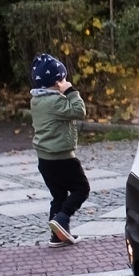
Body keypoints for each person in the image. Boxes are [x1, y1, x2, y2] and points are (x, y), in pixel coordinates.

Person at [30, 54, 89, 247]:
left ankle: (58, 236)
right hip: (62, 158)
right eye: (63, 79)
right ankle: (63, 218)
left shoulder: (36, 101)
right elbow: (79, 111)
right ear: (56, 82)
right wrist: (70, 91)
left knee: (59, 196)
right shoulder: (55, 102)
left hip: (45, 160)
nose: (65, 82)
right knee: (82, 189)